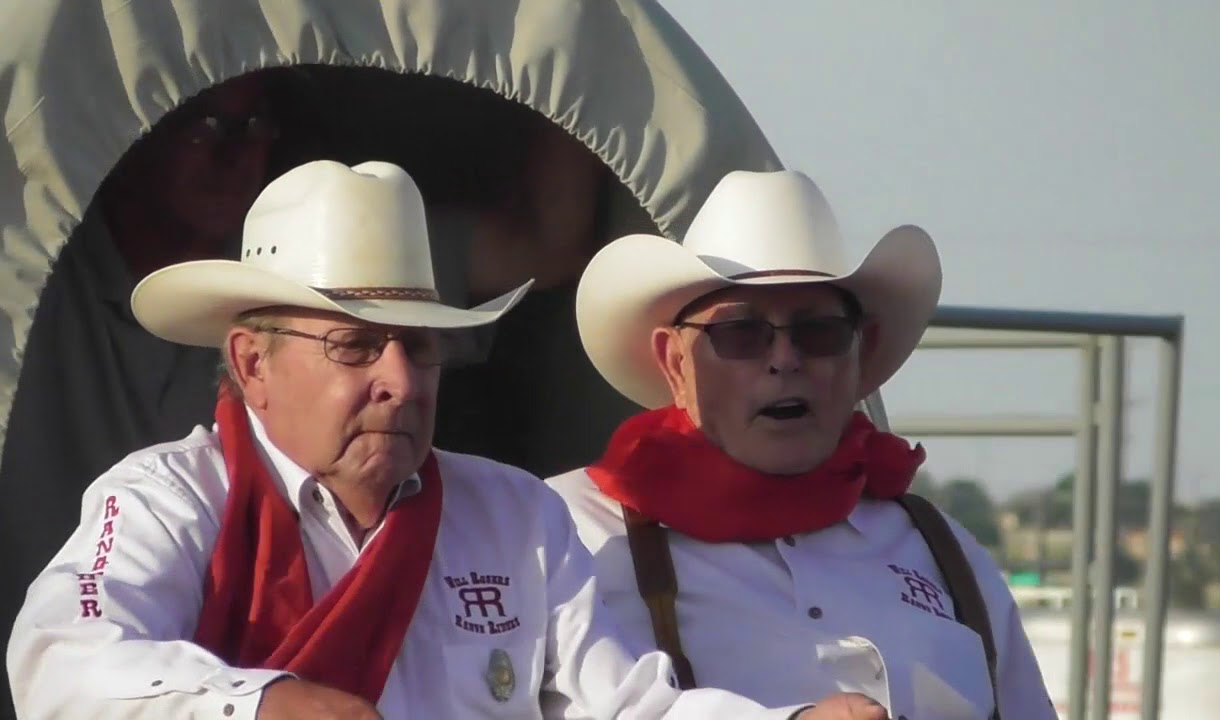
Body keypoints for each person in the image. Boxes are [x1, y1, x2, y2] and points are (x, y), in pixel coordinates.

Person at [6, 159, 892, 720]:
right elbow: (62, 661)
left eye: (420, 344)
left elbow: (627, 709)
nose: (399, 377)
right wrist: (264, 703)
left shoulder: (515, 516)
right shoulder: (164, 498)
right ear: (252, 362)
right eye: (355, 344)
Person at [547, 170, 1058, 719]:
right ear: (675, 363)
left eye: (819, 332)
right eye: (741, 333)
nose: (785, 360)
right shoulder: (564, 534)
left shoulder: (944, 550)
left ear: (864, 355)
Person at [0, 73, 283, 704]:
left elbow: (534, 240)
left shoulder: (292, 293)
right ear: (128, 130)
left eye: (257, 125)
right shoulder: (25, 268)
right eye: (206, 127)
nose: (238, 155)